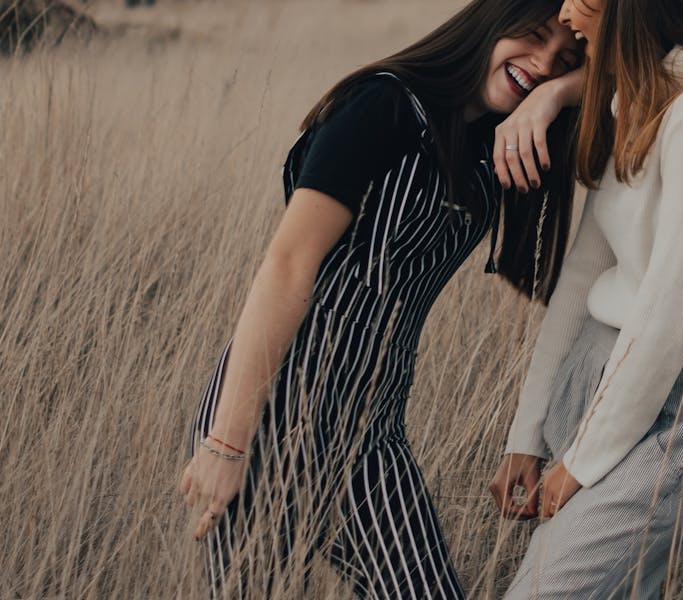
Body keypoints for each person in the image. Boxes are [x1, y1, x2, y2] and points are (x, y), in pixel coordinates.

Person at [176, 1, 584, 597]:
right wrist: (226, 444)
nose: (543, 63)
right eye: (534, 35)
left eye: (566, 59)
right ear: (493, 18)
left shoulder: (487, 142)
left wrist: (556, 95)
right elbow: (288, 265)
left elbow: (635, 73)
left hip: (371, 435)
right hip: (272, 420)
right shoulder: (383, 105)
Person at [489, 0, 683, 597]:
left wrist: (582, 461)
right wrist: (528, 430)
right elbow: (584, 272)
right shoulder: (639, 95)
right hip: (600, 364)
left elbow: (670, 309)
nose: (567, 13)